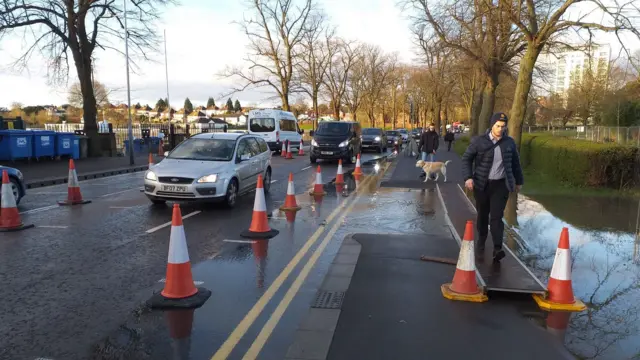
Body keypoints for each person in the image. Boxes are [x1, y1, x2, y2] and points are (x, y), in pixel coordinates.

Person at [461, 112, 524, 262]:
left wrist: (519, 181)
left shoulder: (509, 142)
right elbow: (466, 159)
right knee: (483, 215)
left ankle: (497, 248)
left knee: (496, 217)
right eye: (498, 126)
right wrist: (468, 177)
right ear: (492, 125)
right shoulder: (479, 141)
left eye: (503, 126)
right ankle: (481, 240)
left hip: (501, 185)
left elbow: (516, 163)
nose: (500, 129)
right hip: (482, 184)